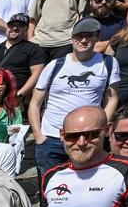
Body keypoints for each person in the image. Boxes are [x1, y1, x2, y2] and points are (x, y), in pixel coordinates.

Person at [27, 18, 120, 176]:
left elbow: (113, 98)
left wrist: (101, 128)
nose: (84, 40)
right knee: (49, 188)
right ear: (72, 39)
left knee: (87, 184)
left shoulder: (108, 63)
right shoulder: (55, 65)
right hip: (52, 137)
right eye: (79, 36)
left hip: (88, 138)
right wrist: (38, 136)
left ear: (97, 38)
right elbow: (35, 103)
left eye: (89, 36)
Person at [0, 13, 47, 102]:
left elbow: (36, 75)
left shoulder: (34, 49)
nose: (15, 28)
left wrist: (19, 95)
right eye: (11, 25)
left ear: (26, 29)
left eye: (20, 25)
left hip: (16, 98)